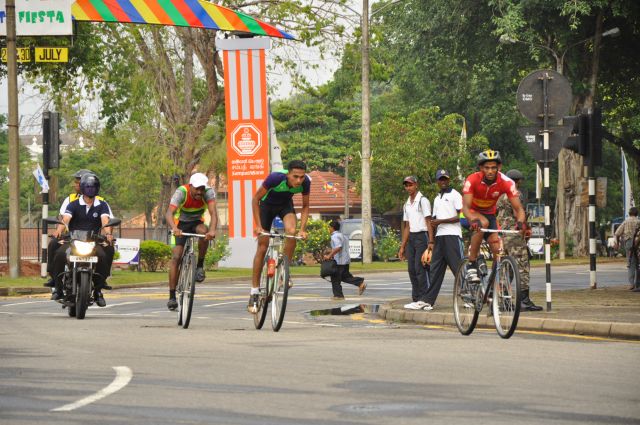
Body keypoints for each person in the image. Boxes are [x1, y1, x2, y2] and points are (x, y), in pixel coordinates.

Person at [248, 160, 310, 313]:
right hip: (266, 207)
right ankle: (254, 292)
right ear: (288, 174)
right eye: (295, 176)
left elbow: (305, 206)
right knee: (262, 246)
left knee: (292, 232)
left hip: (285, 206)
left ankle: (284, 271)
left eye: (301, 177)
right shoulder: (275, 178)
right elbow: (255, 199)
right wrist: (258, 225)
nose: (299, 180)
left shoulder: (306, 182)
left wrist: (302, 229)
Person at [461, 150, 526, 283]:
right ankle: (471, 263)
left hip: (489, 214)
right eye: (486, 168)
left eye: (493, 168)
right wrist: (473, 220)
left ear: (499, 167)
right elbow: (465, 207)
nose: (490, 171)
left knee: (498, 250)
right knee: (483, 223)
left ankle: (492, 287)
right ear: (481, 168)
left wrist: (520, 222)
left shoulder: (506, 182)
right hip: (469, 213)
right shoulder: (472, 180)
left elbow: (519, 209)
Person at [51, 173, 114, 307]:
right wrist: (59, 230)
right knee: (60, 254)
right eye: (88, 187)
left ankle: (98, 290)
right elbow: (66, 219)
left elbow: (105, 220)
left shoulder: (102, 205)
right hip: (73, 240)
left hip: (94, 241)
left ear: (97, 188)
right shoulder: (73, 204)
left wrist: (108, 234)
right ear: (83, 188)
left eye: (93, 187)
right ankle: (57, 287)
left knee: (105, 253)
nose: (91, 190)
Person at [164, 173, 218, 310]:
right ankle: (172, 297)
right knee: (176, 257)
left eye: (202, 189)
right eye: (197, 189)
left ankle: (199, 266)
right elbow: (169, 213)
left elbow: (213, 213)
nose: (200, 192)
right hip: (180, 225)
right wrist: (174, 228)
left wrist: (212, 230)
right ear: (191, 186)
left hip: (197, 223)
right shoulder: (181, 192)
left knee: (204, 232)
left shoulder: (208, 193)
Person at [496, 169, 543, 311]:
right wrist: (526, 227)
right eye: (519, 181)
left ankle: (503, 301)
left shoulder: (499, 195)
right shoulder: (514, 193)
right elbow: (518, 213)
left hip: (502, 234)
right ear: (516, 181)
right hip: (514, 233)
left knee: (506, 268)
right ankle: (524, 300)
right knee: (522, 266)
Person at [422, 169, 464, 310]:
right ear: (437, 182)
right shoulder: (436, 198)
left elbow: (461, 216)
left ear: (449, 180)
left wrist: (441, 221)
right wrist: (431, 241)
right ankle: (428, 300)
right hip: (439, 237)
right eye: (441, 179)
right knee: (435, 270)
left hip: (453, 235)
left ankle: (469, 297)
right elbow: (434, 220)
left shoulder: (455, 194)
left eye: (445, 179)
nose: (443, 181)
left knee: (458, 268)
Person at [398, 176, 432, 310]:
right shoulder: (406, 204)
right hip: (412, 237)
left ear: (416, 185)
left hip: (422, 236)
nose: (408, 188)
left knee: (420, 268)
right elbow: (407, 226)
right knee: (411, 269)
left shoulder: (423, 201)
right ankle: (416, 298)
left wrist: (431, 241)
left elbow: (429, 221)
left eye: (410, 185)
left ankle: (425, 298)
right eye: (406, 185)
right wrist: (402, 246)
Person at [323, 220, 366, 300]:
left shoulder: (335, 236)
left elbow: (338, 247)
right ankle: (360, 282)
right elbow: (340, 247)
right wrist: (330, 251)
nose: (328, 229)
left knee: (335, 278)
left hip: (339, 261)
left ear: (332, 228)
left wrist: (329, 255)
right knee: (345, 277)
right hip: (346, 260)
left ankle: (338, 295)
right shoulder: (343, 235)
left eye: (329, 227)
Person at [614, 207, 640, 290]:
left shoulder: (626, 221)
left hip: (629, 243)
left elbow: (617, 233)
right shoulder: (638, 221)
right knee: (638, 263)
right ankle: (638, 283)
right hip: (638, 243)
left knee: (630, 262)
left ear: (629, 213)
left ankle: (632, 284)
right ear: (637, 214)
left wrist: (617, 244)